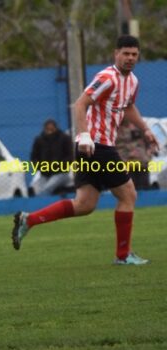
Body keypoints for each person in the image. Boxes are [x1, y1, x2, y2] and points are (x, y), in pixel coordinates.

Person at [12, 35, 158, 265]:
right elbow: (81, 103)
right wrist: (84, 136)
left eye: (134, 54)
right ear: (115, 54)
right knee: (129, 195)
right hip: (96, 145)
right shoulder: (107, 77)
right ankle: (123, 256)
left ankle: (29, 220)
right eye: (125, 53)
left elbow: (128, 107)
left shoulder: (132, 82)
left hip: (94, 147)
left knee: (84, 204)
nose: (130, 58)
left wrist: (146, 130)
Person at [29, 119, 74, 196]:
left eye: (51, 129)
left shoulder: (64, 138)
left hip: (61, 173)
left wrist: (59, 166)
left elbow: (70, 157)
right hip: (44, 174)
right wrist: (40, 167)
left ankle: (43, 206)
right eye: (48, 129)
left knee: (46, 190)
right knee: (35, 190)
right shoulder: (39, 140)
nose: (49, 132)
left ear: (56, 128)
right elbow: (34, 157)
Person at [115, 118, 152, 190]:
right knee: (128, 189)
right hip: (125, 163)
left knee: (144, 188)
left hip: (141, 162)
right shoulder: (114, 128)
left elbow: (149, 141)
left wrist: (148, 152)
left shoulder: (139, 125)